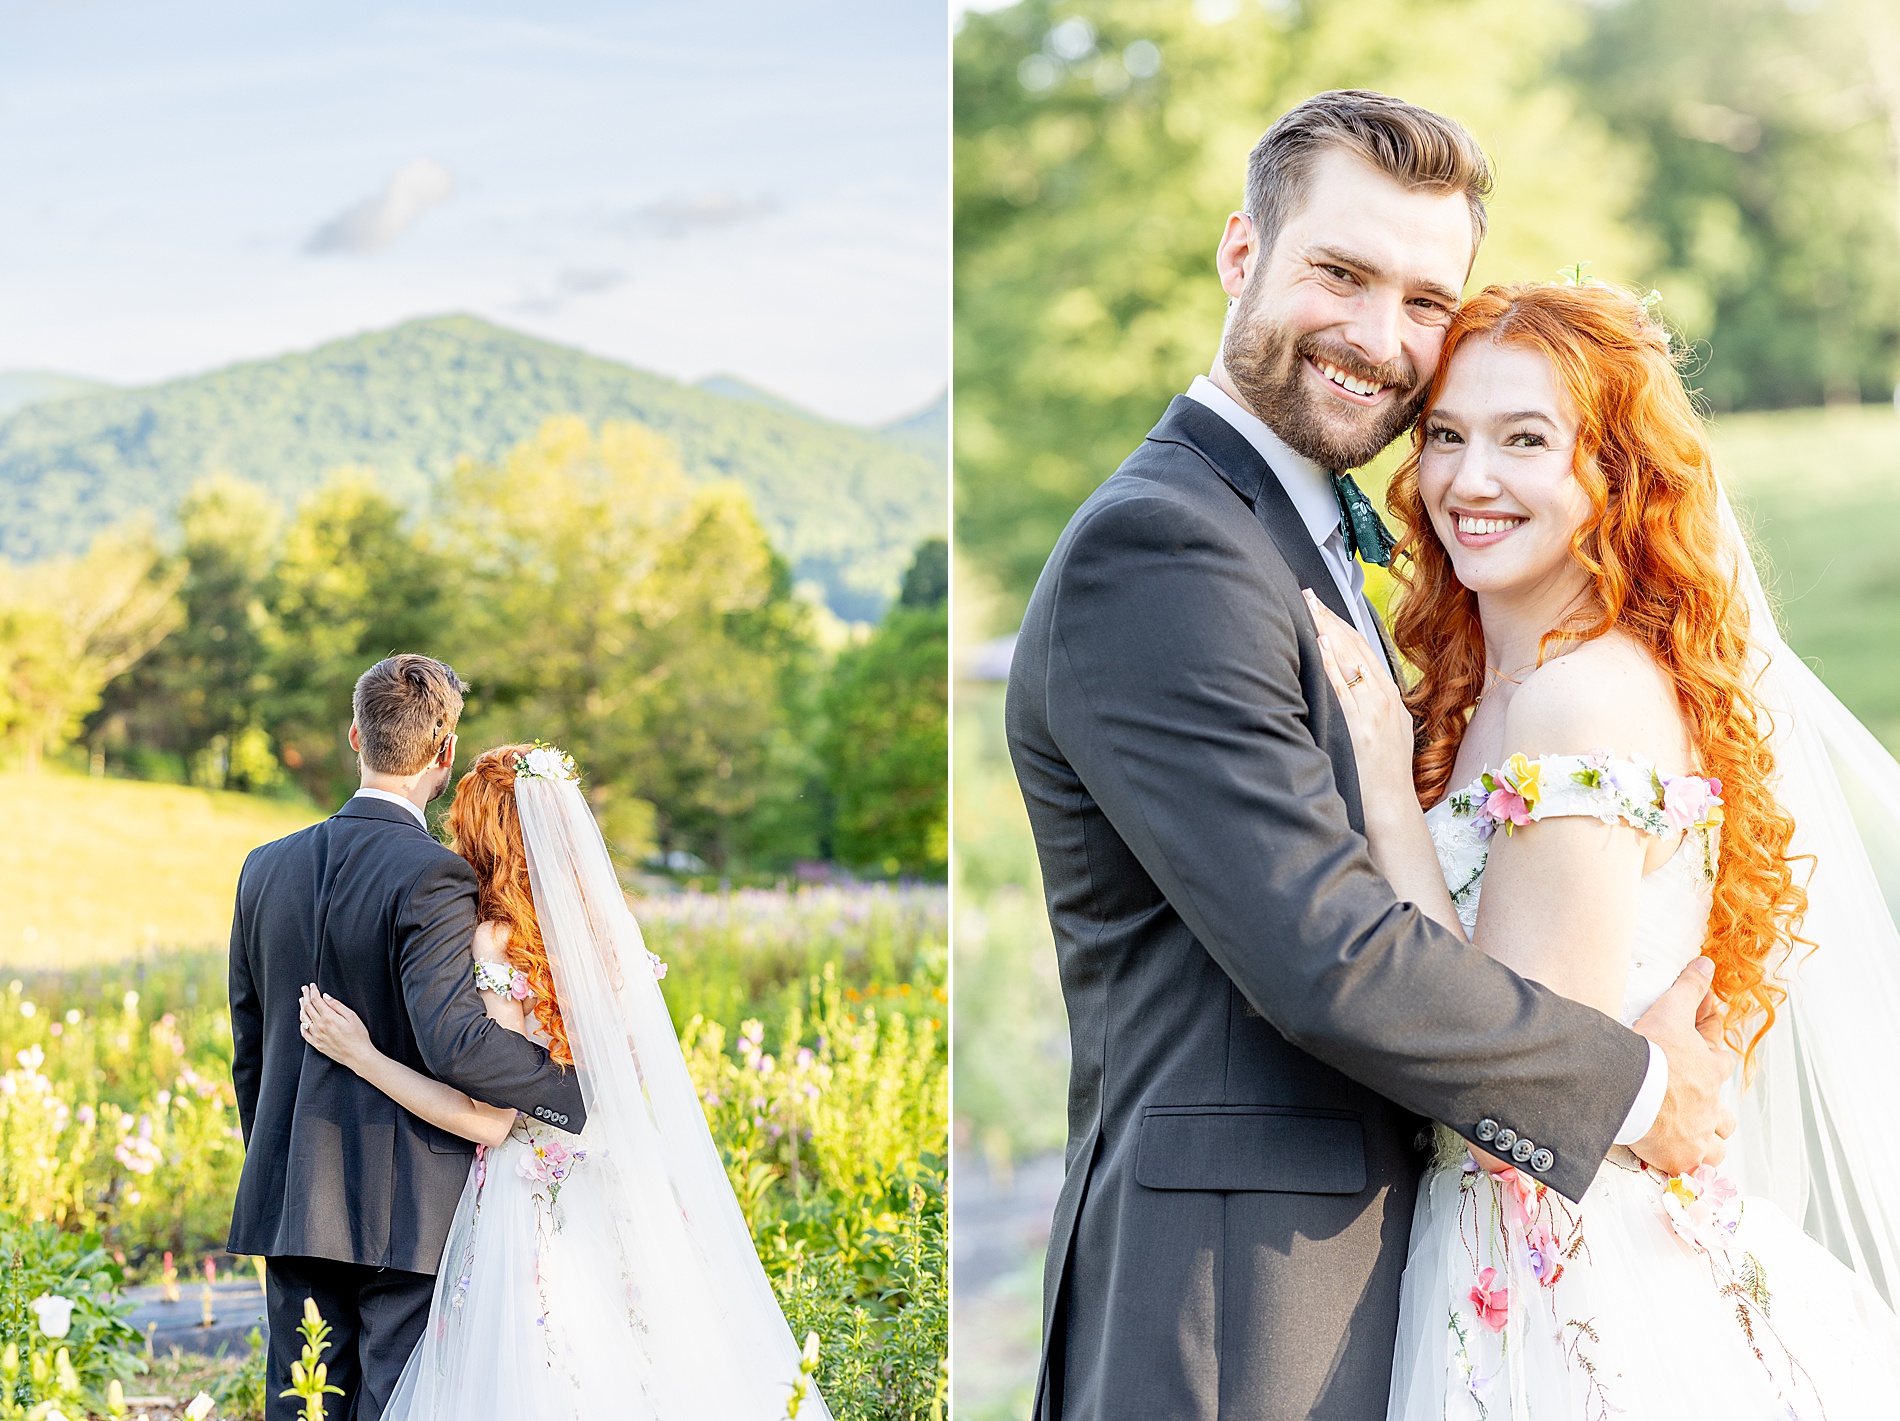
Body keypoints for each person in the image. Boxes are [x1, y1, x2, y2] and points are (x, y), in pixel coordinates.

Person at [1004, 90, 1732, 1420]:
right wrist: (1635, 1091)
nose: (1377, 339)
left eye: (1420, 301)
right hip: (1242, 1307)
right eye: (1339, 273)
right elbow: (1324, 951)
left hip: (1379, 1277)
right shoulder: (1165, 548)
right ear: (1241, 255)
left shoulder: (1303, 540)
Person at [1306, 276, 1900, 1417]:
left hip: (1571, 1280)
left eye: (1525, 439)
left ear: (1614, 473)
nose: (1467, 481)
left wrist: (1386, 794)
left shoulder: (1579, 699)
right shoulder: (1501, 687)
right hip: (1514, 1246)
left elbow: (1515, 1078)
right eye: (1445, 436)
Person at [297, 743, 827, 1420]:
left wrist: (365, 1056)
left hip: (532, 1200)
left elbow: (490, 1119)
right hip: (623, 1182)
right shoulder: (610, 935)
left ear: (485, 836)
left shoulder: (495, 941)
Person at [228, 655, 587, 1421]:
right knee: (398, 1404)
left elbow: (249, 1045)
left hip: (291, 1190)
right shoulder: (436, 875)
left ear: (355, 734)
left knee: (304, 1402)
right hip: (408, 1206)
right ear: (445, 751)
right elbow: (457, 1044)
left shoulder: (262, 867)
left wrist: (276, 1158)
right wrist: (576, 1091)